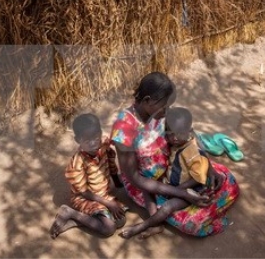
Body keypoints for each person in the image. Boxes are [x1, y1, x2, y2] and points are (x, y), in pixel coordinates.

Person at [111, 72, 240, 238]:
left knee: (225, 179)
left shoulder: (159, 111)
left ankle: (184, 201)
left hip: (176, 167)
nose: (167, 112)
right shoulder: (124, 130)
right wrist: (182, 193)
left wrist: (209, 168)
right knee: (193, 224)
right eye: (164, 107)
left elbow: (189, 133)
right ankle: (155, 220)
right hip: (148, 185)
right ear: (147, 100)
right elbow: (136, 179)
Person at [119, 106, 222, 239]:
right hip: (172, 183)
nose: (174, 138)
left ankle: (142, 226)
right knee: (146, 186)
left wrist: (178, 190)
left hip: (192, 189)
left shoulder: (191, 151)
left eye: (178, 134)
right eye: (170, 134)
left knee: (168, 207)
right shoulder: (177, 139)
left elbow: (198, 178)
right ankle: (156, 225)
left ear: (189, 132)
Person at [50, 113, 127, 239]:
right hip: (86, 198)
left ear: (100, 133)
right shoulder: (77, 163)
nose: (93, 144)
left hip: (103, 194)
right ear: (77, 140)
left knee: (120, 220)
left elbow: (112, 165)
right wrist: (108, 203)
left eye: (96, 138)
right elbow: (84, 193)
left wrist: (118, 185)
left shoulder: (104, 147)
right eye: (87, 141)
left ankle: (77, 221)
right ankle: (71, 213)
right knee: (109, 228)